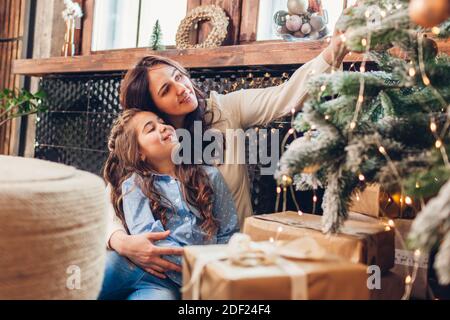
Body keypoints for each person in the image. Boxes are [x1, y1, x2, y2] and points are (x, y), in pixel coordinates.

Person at [106, 30, 348, 280]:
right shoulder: (145, 144)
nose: (182, 88)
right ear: (151, 106)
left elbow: (284, 96)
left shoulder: (225, 110)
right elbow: (111, 199)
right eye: (166, 89)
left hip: (229, 260)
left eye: (179, 76)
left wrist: (333, 52)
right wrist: (119, 241)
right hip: (165, 272)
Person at [99, 109, 239, 299]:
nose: (164, 127)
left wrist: (214, 269)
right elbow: (147, 235)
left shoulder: (210, 176)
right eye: (151, 129)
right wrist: (195, 265)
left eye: (162, 121)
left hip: (169, 285)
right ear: (139, 152)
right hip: (130, 266)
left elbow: (228, 232)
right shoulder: (134, 184)